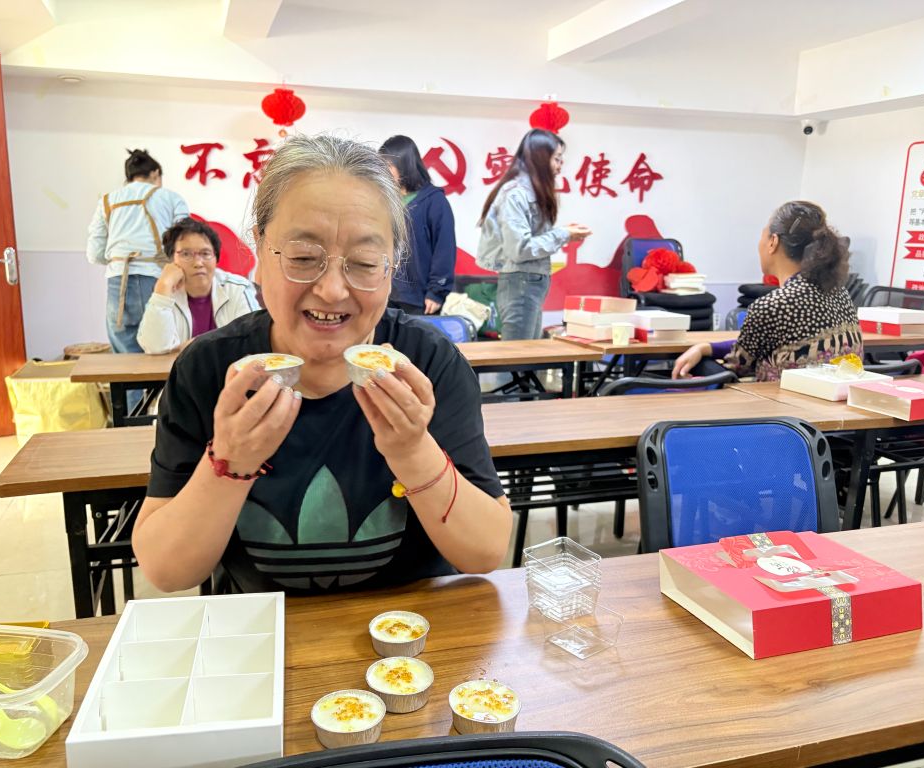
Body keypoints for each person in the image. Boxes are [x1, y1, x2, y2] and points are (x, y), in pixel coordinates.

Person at [132, 135, 511, 594]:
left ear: (392, 266)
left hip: (409, 629)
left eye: (364, 262)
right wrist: (231, 462)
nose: (332, 290)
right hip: (266, 628)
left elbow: (485, 551)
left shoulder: (427, 363)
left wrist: (413, 451)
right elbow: (167, 572)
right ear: (260, 250)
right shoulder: (210, 369)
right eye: (303, 258)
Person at [673, 201, 862, 382]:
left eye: (763, 235)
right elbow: (753, 346)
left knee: (702, 367)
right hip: (834, 397)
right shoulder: (840, 293)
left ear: (773, 242)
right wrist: (707, 347)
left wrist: (703, 356)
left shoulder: (773, 305)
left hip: (784, 401)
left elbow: (739, 364)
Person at [476, 129, 591, 340]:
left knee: (527, 352)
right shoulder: (516, 194)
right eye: (557, 158)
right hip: (521, 283)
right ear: (541, 158)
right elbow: (519, 249)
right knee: (518, 354)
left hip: (527, 282)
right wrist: (563, 234)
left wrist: (565, 233)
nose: (560, 165)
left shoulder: (529, 192)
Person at [86, 149, 189, 353]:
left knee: (125, 352)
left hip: (118, 280)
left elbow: (95, 253)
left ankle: (131, 378)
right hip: (159, 278)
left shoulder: (107, 201)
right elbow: (186, 240)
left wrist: (119, 258)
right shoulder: (171, 198)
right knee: (162, 345)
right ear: (155, 173)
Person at [137, 218, 261, 354]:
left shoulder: (237, 288)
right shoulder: (166, 291)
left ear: (216, 258)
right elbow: (154, 347)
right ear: (171, 259)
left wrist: (196, 345)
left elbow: (252, 340)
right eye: (186, 254)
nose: (198, 263)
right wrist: (163, 287)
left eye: (205, 253)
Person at [378, 136, 456, 315]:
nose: (383, 172)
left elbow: (444, 249)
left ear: (405, 165)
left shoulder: (434, 201)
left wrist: (436, 292)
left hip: (419, 298)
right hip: (387, 294)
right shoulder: (386, 200)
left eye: (388, 166)